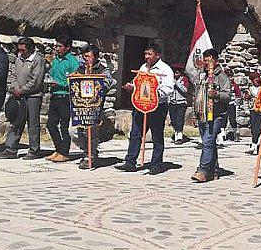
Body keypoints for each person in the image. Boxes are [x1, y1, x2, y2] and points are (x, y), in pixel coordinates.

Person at [116, 43, 175, 175]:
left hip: (157, 107)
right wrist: (132, 87)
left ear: (157, 55)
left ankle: (156, 164)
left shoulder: (165, 70)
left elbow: (169, 88)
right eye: (145, 54)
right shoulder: (143, 67)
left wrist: (156, 93)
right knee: (135, 133)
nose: (146, 57)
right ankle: (130, 162)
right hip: (141, 105)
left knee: (157, 135)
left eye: (149, 54)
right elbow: (139, 83)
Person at [0, 37, 45, 159]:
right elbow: (13, 74)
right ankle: (11, 149)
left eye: (23, 50)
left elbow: (36, 81)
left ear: (30, 49)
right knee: (16, 121)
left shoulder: (38, 60)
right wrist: (15, 88)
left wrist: (22, 90)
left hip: (33, 96)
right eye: (20, 50)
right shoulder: (19, 58)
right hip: (18, 95)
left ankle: (34, 150)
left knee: (33, 124)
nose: (21, 52)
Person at [71, 45, 115, 169]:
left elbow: (107, 83)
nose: (86, 59)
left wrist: (95, 81)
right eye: (84, 57)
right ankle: (87, 149)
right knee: (73, 131)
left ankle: (90, 155)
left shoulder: (103, 70)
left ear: (95, 57)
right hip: (80, 106)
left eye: (88, 56)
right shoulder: (80, 68)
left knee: (92, 132)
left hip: (95, 106)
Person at [191, 49, 230, 183]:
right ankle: (213, 170)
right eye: (205, 60)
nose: (207, 63)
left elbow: (227, 95)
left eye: (209, 60)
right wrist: (194, 114)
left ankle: (202, 170)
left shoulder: (222, 77)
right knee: (210, 143)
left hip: (216, 115)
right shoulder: (201, 75)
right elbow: (196, 95)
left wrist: (217, 95)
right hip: (202, 113)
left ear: (216, 60)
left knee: (207, 142)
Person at [46, 35, 80, 162]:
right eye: (56, 46)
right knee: (51, 124)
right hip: (54, 96)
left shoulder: (72, 62)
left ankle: (64, 152)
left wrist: (60, 84)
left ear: (67, 47)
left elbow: (74, 82)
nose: (57, 48)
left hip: (65, 97)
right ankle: (58, 148)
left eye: (60, 46)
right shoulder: (56, 60)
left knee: (64, 126)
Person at [169, 63, 190, 144]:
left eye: (177, 72)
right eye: (174, 72)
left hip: (181, 103)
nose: (175, 74)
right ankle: (176, 133)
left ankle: (179, 136)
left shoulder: (184, 79)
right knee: (173, 120)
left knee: (179, 120)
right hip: (172, 102)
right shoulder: (171, 79)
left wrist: (177, 84)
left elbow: (185, 90)